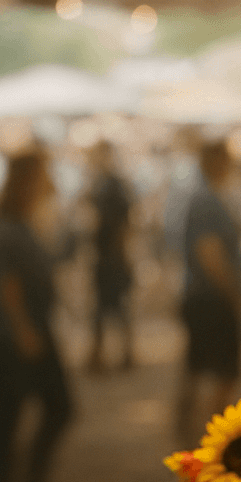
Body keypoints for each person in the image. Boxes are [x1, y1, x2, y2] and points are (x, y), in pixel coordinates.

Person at [0, 151, 72, 482]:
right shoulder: (8, 227)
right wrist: (22, 328)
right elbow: (8, 284)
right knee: (12, 413)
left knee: (53, 408)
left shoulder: (26, 222)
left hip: (30, 328)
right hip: (14, 334)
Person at [176, 140, 241, 432]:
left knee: (198, 367)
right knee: (221, 371)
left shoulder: (208, 196)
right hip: (212, 298)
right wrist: (233, 292)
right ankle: (211, 434)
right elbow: (210, 254)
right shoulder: (206, 200)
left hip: (205, 296)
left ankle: (192, 427)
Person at [86, 142, 135, 372]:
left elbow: (123, 225)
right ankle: (105, 354)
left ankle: (119, 354)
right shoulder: (101, 184)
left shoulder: (112, 186)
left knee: (113, 307)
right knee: (107, 307)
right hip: (106, 254)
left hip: (111, 256)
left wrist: (120, 254)